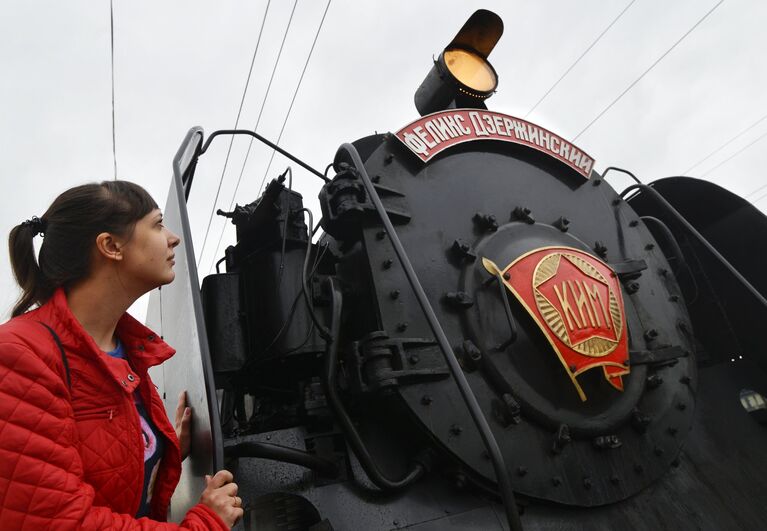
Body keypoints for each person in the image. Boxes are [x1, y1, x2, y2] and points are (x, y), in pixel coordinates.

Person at [0, 181, 244, 529]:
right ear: (111, 246)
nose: (172, 238)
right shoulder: (18, 356)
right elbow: (60, 522)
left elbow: (96, 459)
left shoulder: (125, 349)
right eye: (158, 224)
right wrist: (205, 524)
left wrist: (160, 445)